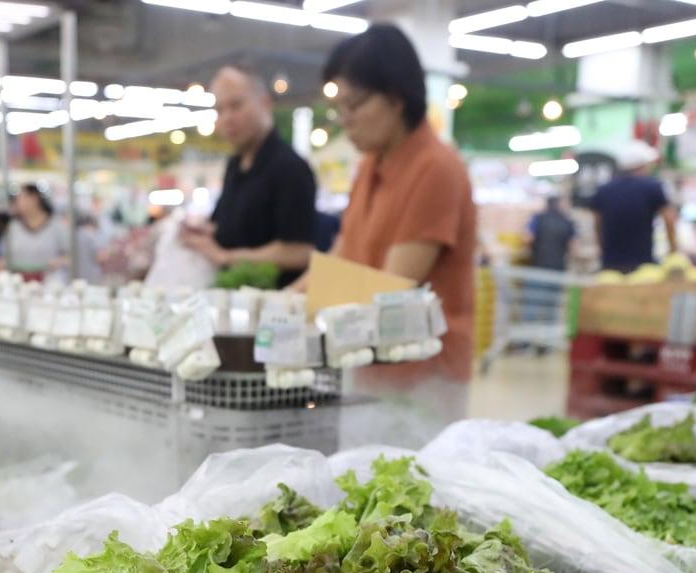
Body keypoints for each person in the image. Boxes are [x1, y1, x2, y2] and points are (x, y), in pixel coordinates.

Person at [302, 23, 477, 384]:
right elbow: (342, 252)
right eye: (338, 108)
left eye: (354, 104)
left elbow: (392, 287)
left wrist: (301, 308)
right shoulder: (370, 165)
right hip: (366, 358)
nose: (345, 119)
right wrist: (276, 303)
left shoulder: (435, 169)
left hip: (424, 374)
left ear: (396, 97)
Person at [180, 65, 317, 288]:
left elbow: (300, 251)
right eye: (220, 110)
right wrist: (197, 233)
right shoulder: (234, 165)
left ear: (264, 102)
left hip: (274, 306)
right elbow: (225, 227)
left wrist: (226, 257)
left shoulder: (290, 167)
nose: (227, 118)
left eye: (236, 105)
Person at [590, 140, 678, 273]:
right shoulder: (652, 187)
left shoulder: (603, 190)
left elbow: (597, 225)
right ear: (642, 165)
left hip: (610, 266)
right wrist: (673, 252)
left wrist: (602, 250)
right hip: (644, 266)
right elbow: (669, 220)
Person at [0, 184, 70, 279]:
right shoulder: (14, 227)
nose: (17, 203)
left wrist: (59, 262)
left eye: (20, 199)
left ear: (34, 199)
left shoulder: (56, 225)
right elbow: (3, 255)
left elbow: (70, 256)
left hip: (50, 282)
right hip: (18, 281)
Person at [527, 195, 576, 272]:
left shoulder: (538, 218)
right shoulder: (568, 222)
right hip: (558, 265)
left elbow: (528, 238)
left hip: (538, 263)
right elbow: (573, 247)